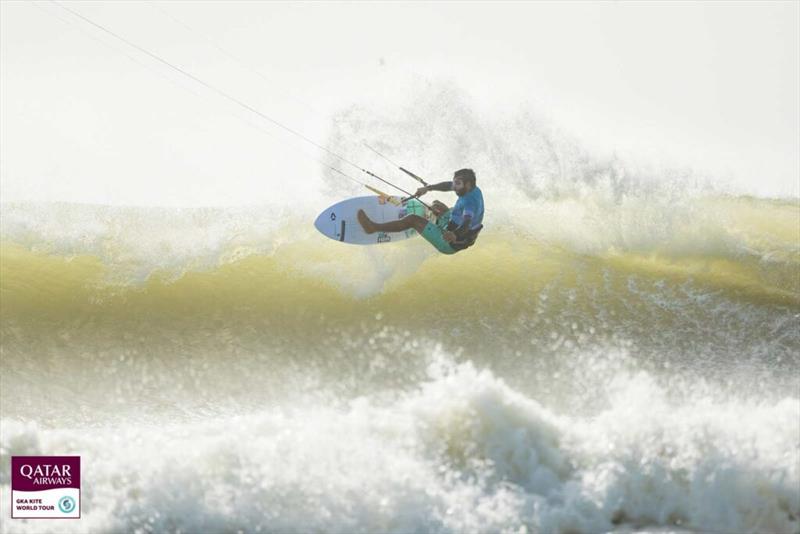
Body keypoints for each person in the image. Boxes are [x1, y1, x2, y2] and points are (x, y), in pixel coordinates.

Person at [357, 168, 484, 254]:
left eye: (457, 184)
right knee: (437, 204)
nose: (454, 186)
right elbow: (448, 185)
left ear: (467, 184)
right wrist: (428, 188)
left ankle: (373, 228)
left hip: (452, 242)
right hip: (453, 223)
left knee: (412, 219)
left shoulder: (470, 203)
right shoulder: (472, 188)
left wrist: (454, 235)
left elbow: (467, 223)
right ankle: (435, 222)